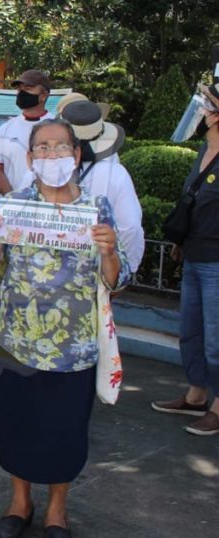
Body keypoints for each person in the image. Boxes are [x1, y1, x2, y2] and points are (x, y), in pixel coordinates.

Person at [0, 119, 130, 538]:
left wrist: (109, 252)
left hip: (73, 346)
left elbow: (116, 280)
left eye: (61, 147)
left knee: (63, 430)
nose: (52, 155)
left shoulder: (96, 208)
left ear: (76, 154)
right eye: (43, 148)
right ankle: (20, 501)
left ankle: (57, 510)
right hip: (17, 341)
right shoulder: (13, 204)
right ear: (30, 159)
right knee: (16, 424)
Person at [150, 87, 219, 436]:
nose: (201, 111)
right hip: (193, 254)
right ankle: (196, 394)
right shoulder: (206, 150)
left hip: (216, 261)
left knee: (216, 340)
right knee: (191, 332)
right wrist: (179, 242)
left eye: (207, 105)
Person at [58, 100, 145, 272]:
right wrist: (122, 270)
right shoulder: (116, 173)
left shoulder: (41, 168)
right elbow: (130, 228)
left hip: (43, 270)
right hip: (93, 270)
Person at [0, 70, 54, 194]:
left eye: (28, 88)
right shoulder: (6, 128)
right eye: (19, 89)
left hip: (48, 203)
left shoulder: (58, 127)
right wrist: (12, 199)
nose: (22, 93)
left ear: (43, 95)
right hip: (11, 203)